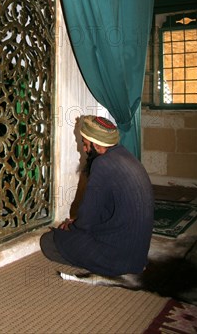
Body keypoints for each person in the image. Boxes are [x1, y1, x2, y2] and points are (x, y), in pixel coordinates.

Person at [40, 115, 155, 277]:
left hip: (119, 256)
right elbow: (106, 209)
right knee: (75, 231)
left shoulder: (102, 164)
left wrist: (70, 227)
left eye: (85, 144)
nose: (85, 149)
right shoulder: (127, 156)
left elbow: (87, 218)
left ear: (97, 145)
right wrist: (78, 223)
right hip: (138, 254)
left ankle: (107, 267)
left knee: (49, 241)